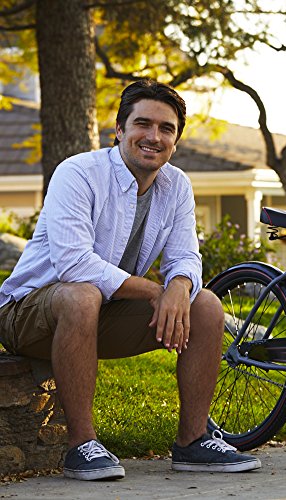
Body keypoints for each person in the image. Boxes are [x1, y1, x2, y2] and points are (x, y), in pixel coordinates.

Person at [0, 79, 261, 480]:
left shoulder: (177, 186)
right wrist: (157, 290)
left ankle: (192, 441)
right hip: (27, 314)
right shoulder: (78, 173)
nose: (153, 137)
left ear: (176, 140)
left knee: (205, 304)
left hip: (101, 314)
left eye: (166, 129)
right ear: (119, 130)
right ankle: (81, 446)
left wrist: (179, 287)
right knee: (82, 295)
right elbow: (74, 264)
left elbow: (186, 257)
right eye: (143, 124)